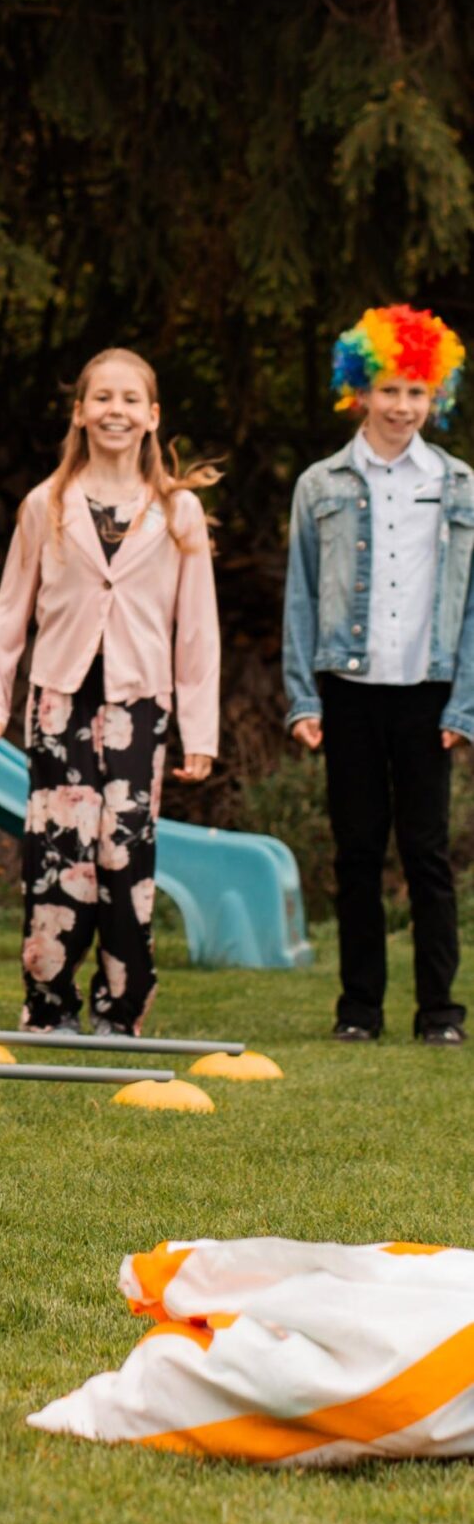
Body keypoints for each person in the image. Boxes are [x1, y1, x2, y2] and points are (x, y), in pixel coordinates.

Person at [0, 349, 221, 1034]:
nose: (116, 410)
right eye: (102, 398)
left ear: (152, 416)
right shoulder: (45, 505)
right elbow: (9, 611)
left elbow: (197, 631)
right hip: (59, 701)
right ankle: (49, 1006)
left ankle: (122, 1008)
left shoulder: (178, 511)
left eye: (130, 399)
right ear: (80, 412)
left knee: (124, 852)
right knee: (59, 852)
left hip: (141, 704)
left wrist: (199, 734)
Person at [283, 303, 470, 1046]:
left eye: (416, 391)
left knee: (426, 853)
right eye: (388, 389)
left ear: (435, 395)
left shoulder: (458, 485)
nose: (401, 406)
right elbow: (299, 595)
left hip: (428, 693)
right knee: (356, 850)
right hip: (348, 692)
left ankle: (439, 1012)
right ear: (358, 391)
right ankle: (358, 1009)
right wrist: (303, 696)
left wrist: (464, 705)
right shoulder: (319, 484)